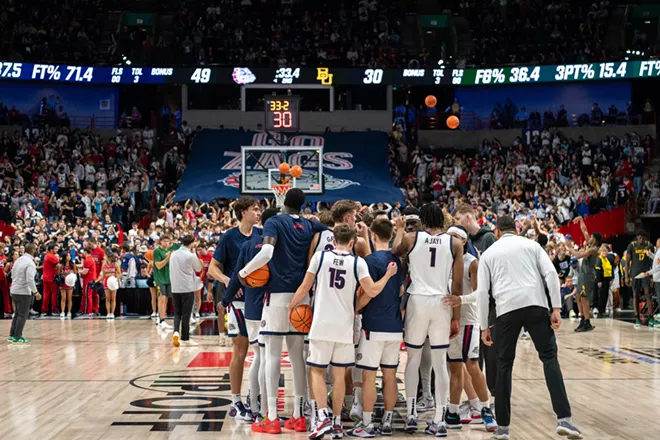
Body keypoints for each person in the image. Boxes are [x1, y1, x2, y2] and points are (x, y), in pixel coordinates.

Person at [477, 216, 582, 440]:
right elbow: (551, 274)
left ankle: (503, 428)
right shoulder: (532, 245)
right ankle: (565, 420)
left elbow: (482, 292)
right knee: (549, 358)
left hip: (506, 309)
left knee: (504, 365)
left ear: (496, 232)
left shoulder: (489, 254)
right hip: (536, 305)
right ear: (515, 229)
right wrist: (555, 306)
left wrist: (484, 326)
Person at [288, 224, 397, 439]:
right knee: (339, 376)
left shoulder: (320, 257)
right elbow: (372, 291)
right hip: (345, 327)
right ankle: (336, 423)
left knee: (317, 372)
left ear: (334, 239)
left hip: (321, 324)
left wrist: (291, 306)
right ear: (352, 243)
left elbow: (304, 287)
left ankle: (322, 418)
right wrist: (388, 275)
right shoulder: (359, 262)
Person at [238, 188, 327, 434]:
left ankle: (272, 418)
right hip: (302, 298)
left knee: (272, 355)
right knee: (298, 357)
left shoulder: (275, 221)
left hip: (277, 297)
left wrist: (243, 272)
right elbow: (329, 232)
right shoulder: (311, 226)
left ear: (282, 202)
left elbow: (266, 253)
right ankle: (299, 416)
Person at [392, 203, 463, 436]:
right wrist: (456, 318)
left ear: (422, 221)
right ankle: (440, 419)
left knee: (412, 358)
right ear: (442, 221)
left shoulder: (412, 238)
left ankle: (412, 415)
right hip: (442, 302)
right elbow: (457, 284)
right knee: (439, 362)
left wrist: (401, 229)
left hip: (418, 301)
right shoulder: (454, 242)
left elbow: (394, 253)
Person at [221, 207, 280, 421]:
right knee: (267, 357)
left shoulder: (248, 246)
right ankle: (263, 408)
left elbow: (237, 275)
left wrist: (226, 299)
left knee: (259, 356)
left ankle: (256, 407)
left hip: (252, 306)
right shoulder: (281, 245)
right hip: (273, 305)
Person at [348, 218, 404, 437]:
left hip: (373, 326)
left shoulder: (369, 261)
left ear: (372, 236)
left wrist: (355, 308)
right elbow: (400, 291)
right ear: (389, 237)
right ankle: (388, 421)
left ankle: (367, 423)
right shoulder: (397, 261)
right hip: (394, 326)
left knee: (369, 377)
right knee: (390, 376)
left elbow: (365, 296)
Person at [209, 197, 262, 419]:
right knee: (240, 350)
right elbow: (212, 268)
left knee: (261, 352)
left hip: (258, 299)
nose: (259, 213)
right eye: (255, 209)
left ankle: (256, 396)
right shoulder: (229, 237)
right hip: (238, 302)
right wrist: (228, 281)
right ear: (242, 213)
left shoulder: (261, 235)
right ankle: (236, 401)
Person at [443, 226, 497, 432]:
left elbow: (480, 294)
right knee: (455, 369)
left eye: (454, 237)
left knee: (472, 365)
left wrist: (460, 300)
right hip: (449, 322)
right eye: (448, 237)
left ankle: (485, 409)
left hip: (469, 321)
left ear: (464, 241)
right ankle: (453, 412)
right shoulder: (443, 262)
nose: (450, 240)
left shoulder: (472, 263)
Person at [566, 217, 602, 332]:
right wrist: (581, 220)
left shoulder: (594, 249)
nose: (589, 237)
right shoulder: (591, 245)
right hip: (583, 274)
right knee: (578, 297)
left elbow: (577, 256)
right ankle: (582, 319)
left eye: (591, 237)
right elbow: (585, 230)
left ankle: (587, 322)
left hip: (588, 275)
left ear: (595, 240)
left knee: (584, 297)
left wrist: (570, 247)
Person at [169, 235, 203, 347]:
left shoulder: (173, 254)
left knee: (177, 312)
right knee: (186, 314)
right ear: (192, 243)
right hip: (187, 287)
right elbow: (198, 268)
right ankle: (185, 338)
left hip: (175, 287)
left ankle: (175, 332)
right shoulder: (191, 255)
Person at [8, 243, 41, 345]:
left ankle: (12, 335)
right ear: (32, 250)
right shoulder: (30, 263)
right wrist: (35, 292)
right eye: (35, 249)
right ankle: (18, 337)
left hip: (14, 289)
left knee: (17, 313)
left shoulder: (18, 260)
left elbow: (12, 274)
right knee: (23, 314)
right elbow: (30, 280)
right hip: (23, 291)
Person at [626, 230, 654, 328]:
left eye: (643, 237)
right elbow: (627, 262)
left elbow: (652, 263)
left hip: (645, 273)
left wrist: (652, 277)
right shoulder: (632, 245)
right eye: (639, 237)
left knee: (648, 295)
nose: (641, 239)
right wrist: (626, 276)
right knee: (636, 295)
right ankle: (637, 317)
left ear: (645, 238)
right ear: (637, 238)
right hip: (635, 274)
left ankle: (651, 317)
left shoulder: (649, 246)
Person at [153, 235, 179, 329]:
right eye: (164, 241)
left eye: (168, 241)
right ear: (160, 242)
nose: (166, 243)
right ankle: (161, 319)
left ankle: (162, 318)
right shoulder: (157, 251)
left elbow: (178, 246)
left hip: (169, 278)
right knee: (161, 299)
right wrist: (168, 258)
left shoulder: (169, 251)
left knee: (166, 300)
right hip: (160, 279)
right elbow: (159, 266)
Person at [98, 251, 120, 319]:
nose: (104, 257)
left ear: (108, 257)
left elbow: (119, 273)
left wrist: (116, 279)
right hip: (106, 282)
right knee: (107, 298)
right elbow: (102, 275)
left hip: (113, 282)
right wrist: (96, 281)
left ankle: (112, 313)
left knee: (113, 298)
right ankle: (108, 313)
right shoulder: (104, 265)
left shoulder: (115, 264)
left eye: (105, 256)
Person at [41, 242, 60, 317]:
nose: (56, 250)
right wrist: (58, 273)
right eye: (55, 249)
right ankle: (54, 310)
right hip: (52, 278)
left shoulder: (46, 256)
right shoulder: (52, 257)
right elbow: (58, 266)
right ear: (51, 249)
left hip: (46, 277)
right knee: (54, 294)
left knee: (46, 295)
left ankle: (44, 311)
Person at [79, 245, 98, 318]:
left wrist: (77, 271)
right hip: (91, 279)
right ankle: (89, 310)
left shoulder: (88, 260)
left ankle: (88, 311)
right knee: (89, 295)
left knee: (88, 296)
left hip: (88, 280)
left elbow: (85, 272)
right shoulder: (90, 259)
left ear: (85, 252)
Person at [59, 252, 77, 319]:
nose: (69, 257)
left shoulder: (72, 264)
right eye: (68, 255)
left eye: (69, 255)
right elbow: (59, 273)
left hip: (70, 283)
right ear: (65, 257)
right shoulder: (61, 265)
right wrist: (63, 275)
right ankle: (62, 312)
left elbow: (75, 272)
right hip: (63, 283)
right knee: (63, 298)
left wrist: (71, 276)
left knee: (69, 298)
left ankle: (69, 312)